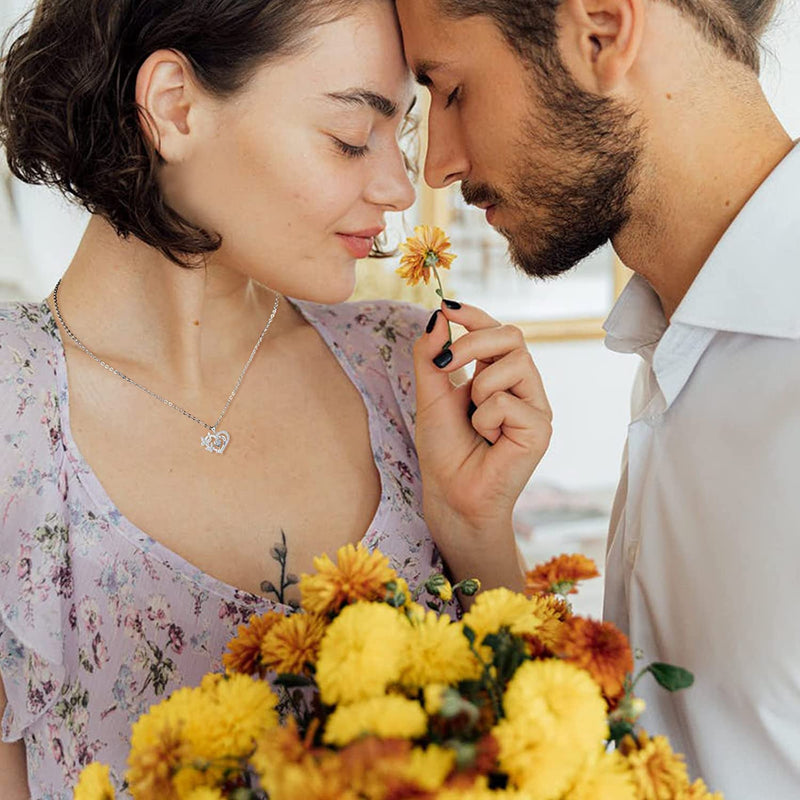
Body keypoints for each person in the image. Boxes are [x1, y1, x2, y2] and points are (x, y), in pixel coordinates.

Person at [0, 1, 553, 796]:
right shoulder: (16, 410)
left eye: (396, 139)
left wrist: (476, 530)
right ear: (175, 108)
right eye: (350, 138)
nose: (401, 188)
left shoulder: (405, 370)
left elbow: (542, 754)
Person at [396, 0, 800, 796]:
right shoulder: (681, 340)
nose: (436, 165)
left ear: (602, 32)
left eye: (450, 91)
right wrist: (480, 536)